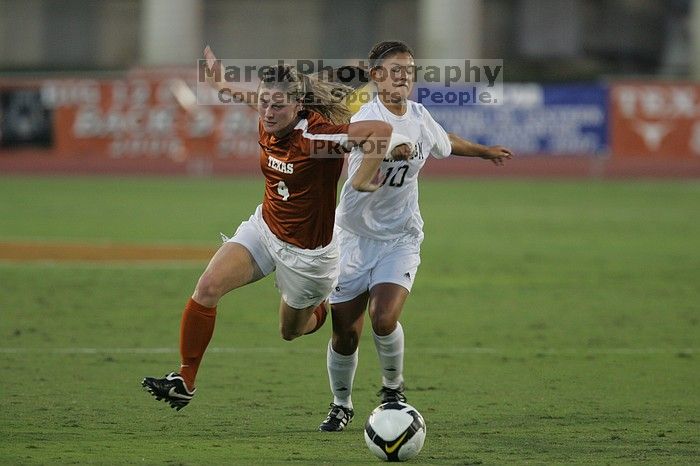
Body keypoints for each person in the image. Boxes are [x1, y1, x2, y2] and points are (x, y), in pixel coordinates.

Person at [142, 46, 397, 410]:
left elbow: (380, 131)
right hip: (265, 228)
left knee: (290, 331)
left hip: (308, 258)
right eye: (265, 102)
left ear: (298, 107)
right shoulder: (268, 116)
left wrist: (361, 179)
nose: (268, 111)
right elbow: (253, 99)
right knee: (208, 286)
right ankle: (185, 378)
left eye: (278, 105)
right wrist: (222, 84)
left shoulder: (318, 137)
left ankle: (322, 306)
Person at [318, 41, 514, 431]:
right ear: (375, 77)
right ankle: (341, 404)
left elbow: (445, 142)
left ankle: (393, 390)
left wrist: (482, 151)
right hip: (352, 238)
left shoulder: (420, 115)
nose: (404, 76)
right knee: (344, 334)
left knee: (384, 317)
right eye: (395, 69)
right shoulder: (362, 117)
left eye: (409, 69)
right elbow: (371, 143)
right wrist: (391, 150)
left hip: (400, 237)